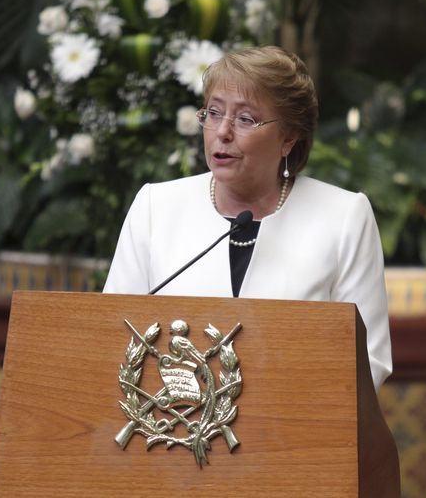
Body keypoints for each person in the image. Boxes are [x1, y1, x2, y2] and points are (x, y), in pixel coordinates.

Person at [103, 45, 392, 390]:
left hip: (295, 434)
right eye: (213, 113)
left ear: (288, 137)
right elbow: (113, 340)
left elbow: (369, 361)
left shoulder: (343, 217)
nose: (222, 132)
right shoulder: (156, 207)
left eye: (245, 119)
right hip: (170, 429)